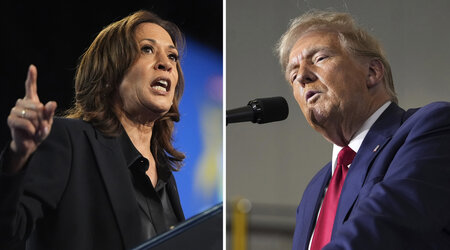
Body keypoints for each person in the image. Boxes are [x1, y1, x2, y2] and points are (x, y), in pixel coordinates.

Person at [0, 10, 187, 250]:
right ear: (110, 72)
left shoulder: (165, 177)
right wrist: (18, 156)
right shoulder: (69, 141)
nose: (166, 64)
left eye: (172, 56)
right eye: (147, 49)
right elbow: (8, 232)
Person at [276, 10, 450, 250]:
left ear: (372, 72)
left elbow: (383, 227)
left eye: (319, 58)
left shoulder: (430, 127)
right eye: (293, 75)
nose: (302, 77)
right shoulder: (314, 190)